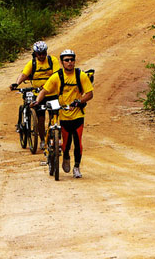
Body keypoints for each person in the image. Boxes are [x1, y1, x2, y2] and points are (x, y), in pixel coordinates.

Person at [33, 49, 93, 178]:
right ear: (62, 62)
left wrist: (79, 101)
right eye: (67, 60)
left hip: (78, 114)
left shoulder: (81, 75)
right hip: (64, 115)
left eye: (72, 60)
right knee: (66, 143)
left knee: (78, 142)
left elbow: (89, 94)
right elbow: (44, 90)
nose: (70, 62)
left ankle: (76, 167)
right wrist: (37, 101)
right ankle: (65, 157)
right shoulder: (57, 76)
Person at [10, 41, 60, 150]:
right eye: (39, 54)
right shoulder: (32, 63)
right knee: (40, 119)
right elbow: (24, 74)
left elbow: (57, 75)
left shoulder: (52, 61)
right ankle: (42, 140)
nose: (42, 56)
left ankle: (53, 136)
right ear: (35, 54)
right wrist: (16, 83)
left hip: (52, 94)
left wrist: (48, 85)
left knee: (54, 117)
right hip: (38, 95)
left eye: (44, 53)